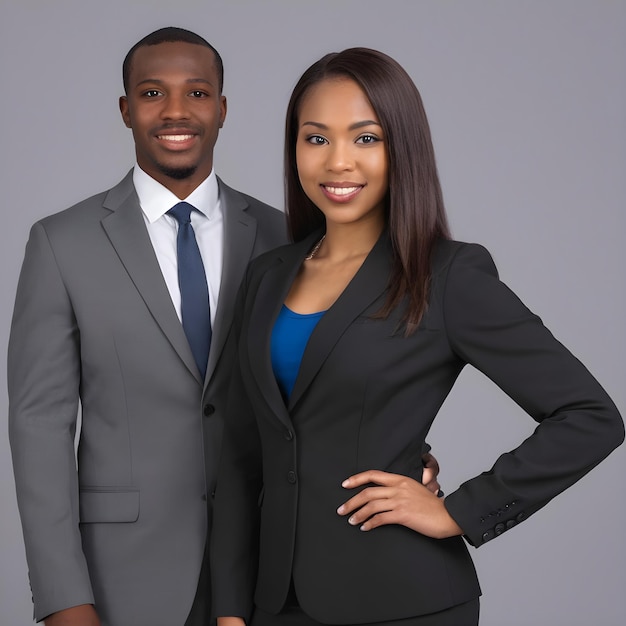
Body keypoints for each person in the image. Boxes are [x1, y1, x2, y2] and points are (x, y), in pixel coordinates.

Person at [8, 29, 440, 626]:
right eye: (153, 92)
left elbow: (330, 381)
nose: (177, 111)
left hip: (277, 569)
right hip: (124, 574)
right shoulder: (62, 244)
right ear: (126, 109)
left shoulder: (287, 236)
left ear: (223, 109)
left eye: (199, 92)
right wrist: (63, 598)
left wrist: (401, 450)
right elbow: (39, 428)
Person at [210, 47, 624, 626]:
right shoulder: (267, 275)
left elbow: (590, 415)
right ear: (295, 149)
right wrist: (230, 608)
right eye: (316, 138)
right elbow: (239, 453)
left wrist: (460, 511)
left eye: (365, 138)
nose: (338, 162)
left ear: (401, 146)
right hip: (275, 602)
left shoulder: (446, 276)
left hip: (403, 600)